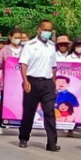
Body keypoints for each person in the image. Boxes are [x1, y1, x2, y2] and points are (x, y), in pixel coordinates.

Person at [18, 19, 60, 151]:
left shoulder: (52, 46)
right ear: (39, 30)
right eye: (45, 29)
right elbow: (23, 65)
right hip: (32, 81)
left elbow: (53, 66)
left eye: (49, 30)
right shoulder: (30, 45)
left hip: (47, 82)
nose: (47, 32)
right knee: (29, 111)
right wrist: (25, 81)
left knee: (49, 112)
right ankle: (24, 137)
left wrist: (54, 83)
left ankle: (52, 142)